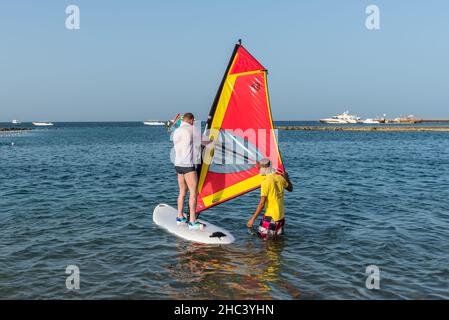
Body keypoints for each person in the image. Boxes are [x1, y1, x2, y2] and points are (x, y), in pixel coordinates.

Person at [172, 112, 205, 230]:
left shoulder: (176, 131)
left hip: (178, 164)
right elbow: (203, 142)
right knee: (193, 192)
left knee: (182, 191)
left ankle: (180, 217)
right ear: (191, 120)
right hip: (188, 166)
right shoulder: (192, 129)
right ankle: (192, 221)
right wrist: (214, 141)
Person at [246, 158, 293, 238]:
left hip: (271, 217)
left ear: (264, 169)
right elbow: (290, 189)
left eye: (260, 168)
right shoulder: (280, 177)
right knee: (276, 242)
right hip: (281, 217)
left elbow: (262, 203)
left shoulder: (265, 182)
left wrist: (252, 219)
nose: (259, 170)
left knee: (262, 239)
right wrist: (287, 178)